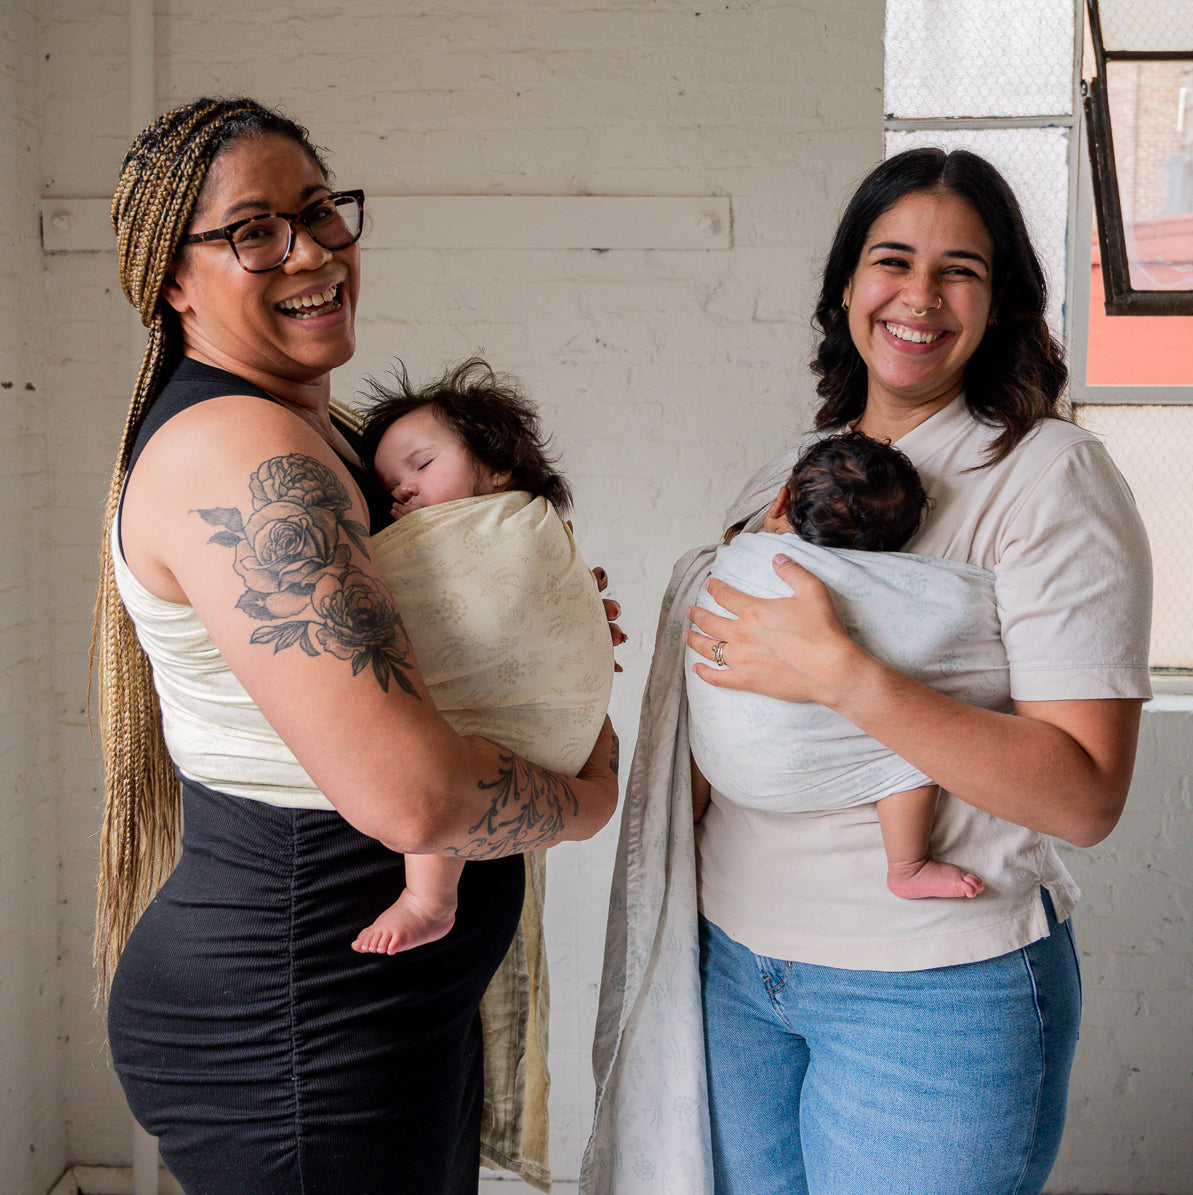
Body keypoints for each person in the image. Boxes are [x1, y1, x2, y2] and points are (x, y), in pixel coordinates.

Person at [585, 147, 1151, 1195]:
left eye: (960, 271)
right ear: (847, 284)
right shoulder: (790, 473)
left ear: (1001, 302)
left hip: (930, 995)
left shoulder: (1041, 474)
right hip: (734, 967)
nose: (919, 296)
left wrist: (844, 676)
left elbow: (1082, 795)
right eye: (891, 260)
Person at [93, 97, 618, 1195]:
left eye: (322, 209)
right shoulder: (243, 456)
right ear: (175, 282)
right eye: (255, 229)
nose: (313, 248)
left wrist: (531, 631)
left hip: (372, 1017)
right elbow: (412, 800)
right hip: (297, 1035)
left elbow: (427, 651)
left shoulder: (316, 437)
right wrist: (588, 797)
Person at [349, 356, 612, 953]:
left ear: (496, 468)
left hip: (535, 732)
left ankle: (428, 899)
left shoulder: (520, 525)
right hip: (547, 760)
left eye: (421, 464)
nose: (405, 489)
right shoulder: (449, 534)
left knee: (448, 742)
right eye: (392, 487)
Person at [687, 429, 985, 901]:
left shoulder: (738, 556)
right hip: (801, 770)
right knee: (914, 745)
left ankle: (692, 800)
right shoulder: (876, 581)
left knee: (707, 680)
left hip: (726, 771)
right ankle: (908, 866)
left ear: (780, 500)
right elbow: (949, 618)